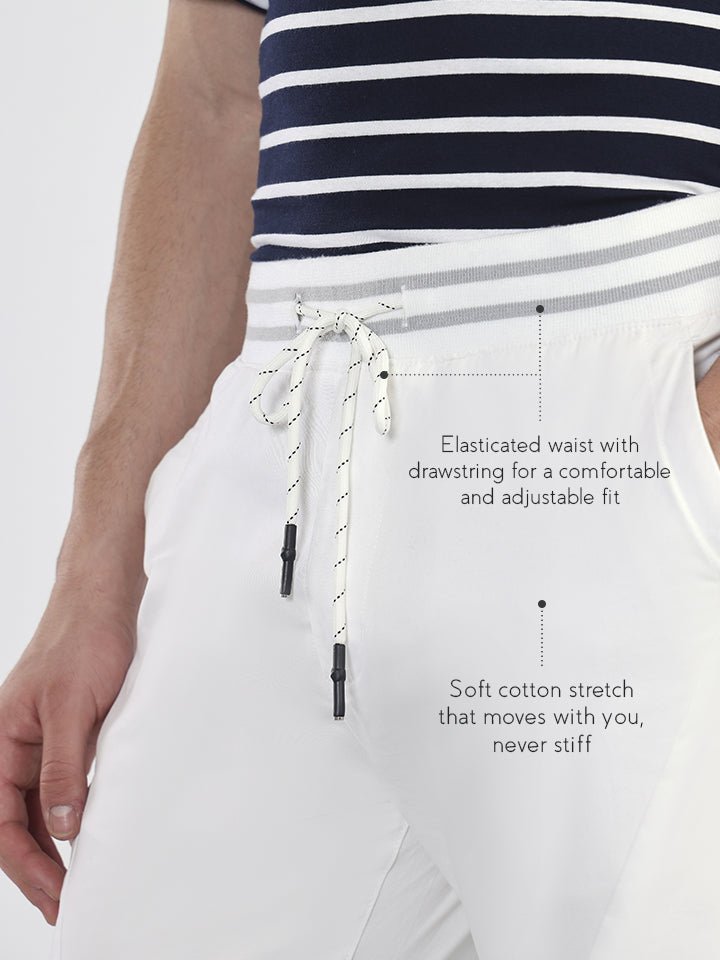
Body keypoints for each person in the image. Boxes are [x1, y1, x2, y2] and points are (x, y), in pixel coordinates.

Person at [2, 0, 720, 957]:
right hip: (282, 427)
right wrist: (95, 568)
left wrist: (688, 459)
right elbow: (215, 92)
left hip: (623, 411)